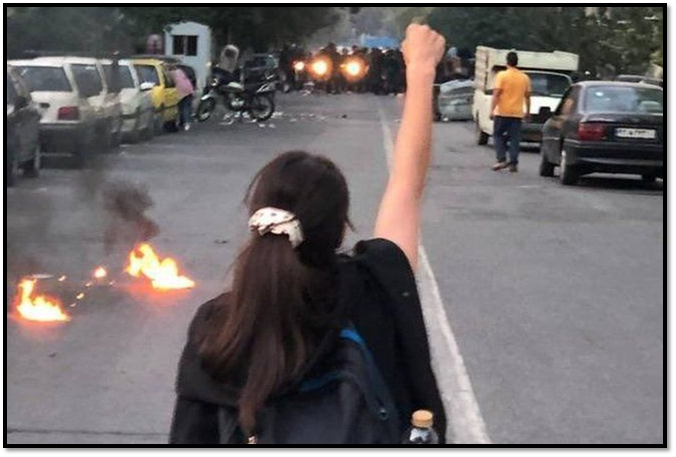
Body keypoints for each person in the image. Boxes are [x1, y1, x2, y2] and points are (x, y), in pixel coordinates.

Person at [169, 24, 447, 445]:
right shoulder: (372, 289)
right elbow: (407, 185)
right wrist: (422, 69)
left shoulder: (217, 328)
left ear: (256, 218)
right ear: (339, 229)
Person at [490, 51, 532, 173]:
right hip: (517, 113)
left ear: (506, 61)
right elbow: (528, 97)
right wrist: (527, 112)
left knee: (497, 135)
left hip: (502, 112)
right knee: (515, 138)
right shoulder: (524, 77)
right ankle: (513, 163)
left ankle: (501, 159)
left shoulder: (502, 75)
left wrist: (492, 110)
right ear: (517, 62)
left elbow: (496, 94)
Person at [172, 66, 195, 131]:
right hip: (189, 89)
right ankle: (186, 122)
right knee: (186, 106)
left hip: (181, 90)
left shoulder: (172, 73)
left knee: (182, 107)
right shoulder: (180, 71)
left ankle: (184, 122)